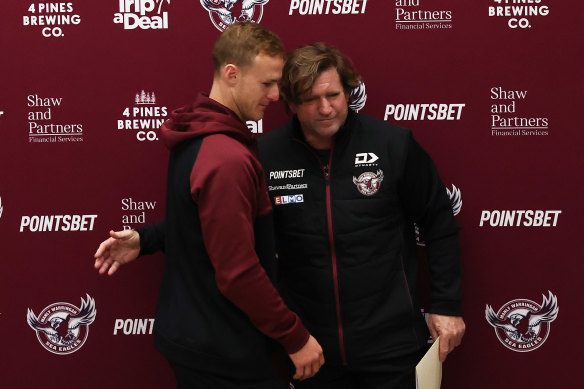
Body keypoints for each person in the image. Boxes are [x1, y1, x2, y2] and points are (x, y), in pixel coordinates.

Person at [96, 42, 465, 388]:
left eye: (333, 95)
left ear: (349, 92)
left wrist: (446, 305)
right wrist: (147, 239)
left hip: (391, 345)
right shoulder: (264, 155)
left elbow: (438, 222)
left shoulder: (393, 145)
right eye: (310, 99)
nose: (325, 108)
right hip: (309, 349)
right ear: (288, 103)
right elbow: (220, 220)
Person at [94, 22, 324, 388]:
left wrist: (148, 238)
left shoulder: (200, 131)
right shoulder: (225, 156)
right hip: (221, 349)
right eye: (266, 83)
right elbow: (238, 272)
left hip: (200, 336)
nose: (277, 95)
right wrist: (294, 337)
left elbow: (201, 224)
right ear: (231, 74)